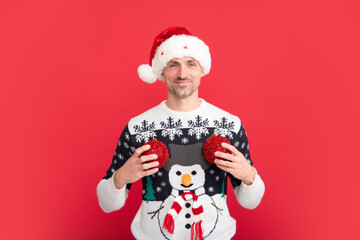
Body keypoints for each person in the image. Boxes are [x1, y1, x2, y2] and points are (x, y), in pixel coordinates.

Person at [97, 27, 265, 240]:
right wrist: (121, 177)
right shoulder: (138, 126)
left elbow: (249, 202)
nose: (182, 74)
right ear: (162, 71)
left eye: (191, 64)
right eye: (173, 65)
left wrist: (249, 176)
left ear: (202, 69)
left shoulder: (229, 125)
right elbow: (107, 204)